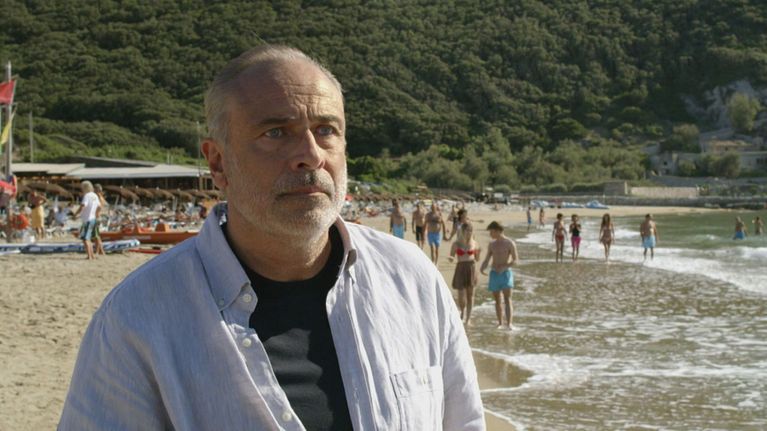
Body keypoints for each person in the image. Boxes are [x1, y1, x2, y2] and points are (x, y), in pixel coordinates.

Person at [59, 45, 483, 430]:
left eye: (326, 130)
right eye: (276, 132)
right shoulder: (137, 319)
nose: (310, 155)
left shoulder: (411, 281)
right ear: (218, 163)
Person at [480, 221, 518, 330]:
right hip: (494, 273)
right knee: (497, 300)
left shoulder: (509, 243)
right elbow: (487, 258)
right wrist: (482, 267)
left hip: (505, 273)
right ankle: (500, 323)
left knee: (507, 299)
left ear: (497, 231)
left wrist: (505, 267)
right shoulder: (492, 244)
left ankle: (509, 324)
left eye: (491, 232)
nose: (490, 234)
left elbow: (516, 260)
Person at [449, 223, 480, 326]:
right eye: (467, 230)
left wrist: (478, 253)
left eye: (470, 230)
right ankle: (462, 310)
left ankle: (468, 318)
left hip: (471, 267)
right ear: (462, 231)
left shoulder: (474, 243)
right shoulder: (456, 244)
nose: (469, 232)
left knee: (470, 295)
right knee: (461, 294)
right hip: (460, 267)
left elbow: (477, 259)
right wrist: (451, 258)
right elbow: (452, 256)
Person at [72, 181, 101, 260]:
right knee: (89, 238)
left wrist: (75, 214)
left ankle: (89, 256)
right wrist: (96, 214)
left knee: (85, 239)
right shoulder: (95, 195)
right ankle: (92, 255)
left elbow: (83, 206)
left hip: (87, 220)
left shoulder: (87, 196)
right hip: (93, 219)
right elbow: (99, 207)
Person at [93, 184, 107, 255]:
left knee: (96, 236)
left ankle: (97, 251)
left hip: (96, 217)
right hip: (98, 217)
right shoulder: (101, 197)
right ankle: (101, 251)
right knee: (97, 235)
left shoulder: (98, 197)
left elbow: (98, 208)